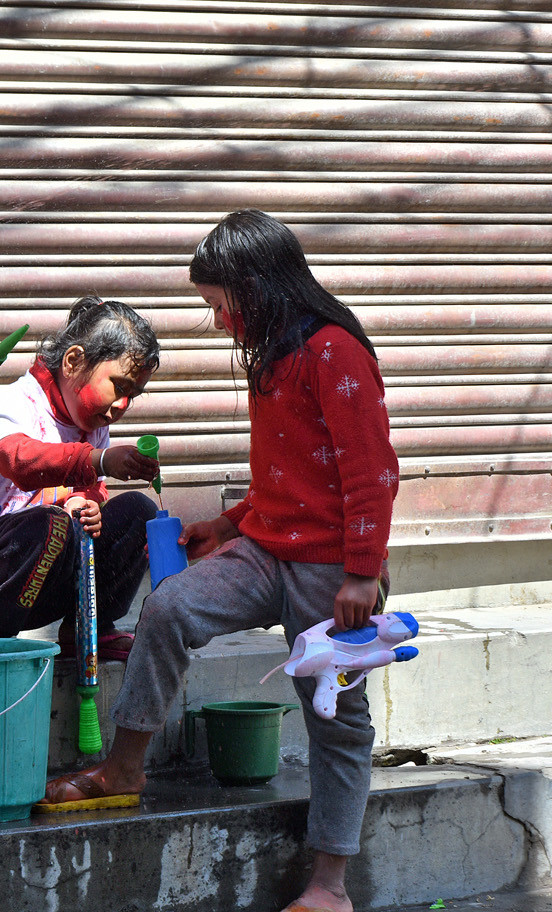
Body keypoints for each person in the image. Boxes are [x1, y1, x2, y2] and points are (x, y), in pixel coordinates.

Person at [38, 210, 399, 912]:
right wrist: (225, 525)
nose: (218, 321)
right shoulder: (272, 354)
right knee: (169, 607)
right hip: (268, 547)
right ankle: (124, 767)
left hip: (334, 570)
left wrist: (362, 571)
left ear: (256, 286)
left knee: (336, 720)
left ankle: (330, 886)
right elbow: (282, 481)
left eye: (218, 304)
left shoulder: (334, 350)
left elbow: (373, 473)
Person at [0, 296, 162, 657]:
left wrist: (87, 504)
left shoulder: (93, 422)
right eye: (118, 387)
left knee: (138, 511)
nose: (122, 405)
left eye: (133, 395)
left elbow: (91, 489)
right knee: (50, 523)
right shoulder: (15, 402)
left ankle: (90, 627)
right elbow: (18, 462)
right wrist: (99, 461)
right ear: (72, 361)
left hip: (47, 577)